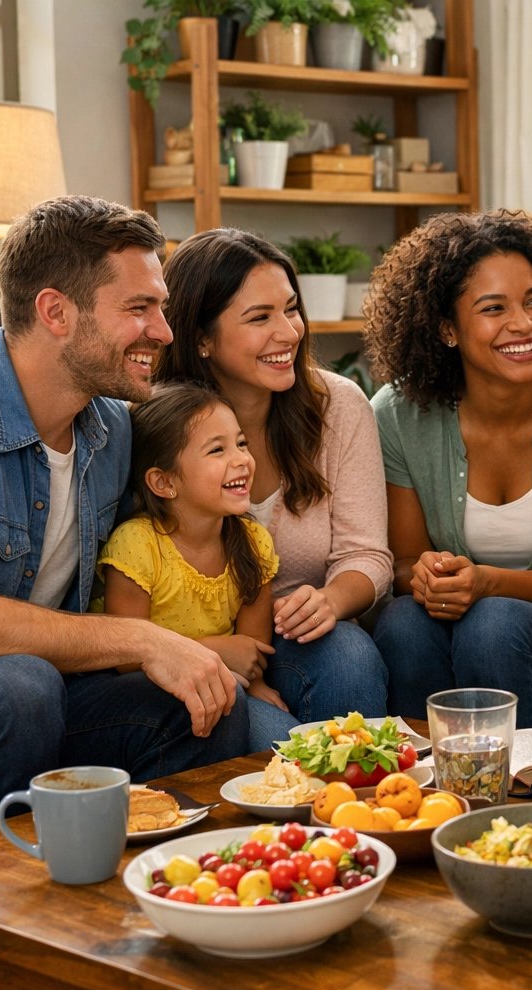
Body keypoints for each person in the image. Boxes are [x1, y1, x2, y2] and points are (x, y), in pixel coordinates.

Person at [0, 195, 250, 833]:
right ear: (56, 311)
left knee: (208, 698)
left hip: (34, 686)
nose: (165, 332)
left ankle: (167, 902)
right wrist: (145, 640)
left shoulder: (109, 429)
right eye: (139, 308)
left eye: (162, 307)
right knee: (16, 690)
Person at [365, 210, 532, 727]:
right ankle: (417, 798)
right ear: (447, 329)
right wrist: (423, 578)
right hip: (445, 618)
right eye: (494, 308)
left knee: (490, 622)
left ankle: (517, 797)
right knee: (402, 621)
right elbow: (402, 564)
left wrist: (486, 584)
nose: (524, 323)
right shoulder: (397, 417)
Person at [156, 229, 391, 727]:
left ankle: (364, 804)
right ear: (201, 338)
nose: (288, 332)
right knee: (265, 735)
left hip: (294, 635)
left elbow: (367, 555)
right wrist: (209, 650)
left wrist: (330, 600)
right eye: (260, 318)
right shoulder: (153, 424)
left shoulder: (339, 406)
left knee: (348, 651)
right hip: (188, 644)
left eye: (290, 309)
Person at [96, 383, 290, 748]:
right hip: (150, 691)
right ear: (164, 482)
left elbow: (251, 646)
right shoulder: (137, 545)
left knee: (284, 746)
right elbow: (126, 660)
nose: (242, 460)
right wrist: (215, 649)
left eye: (241, 443)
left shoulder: (252, 541)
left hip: (230, 683)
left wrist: (258, 684)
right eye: (217, 449)